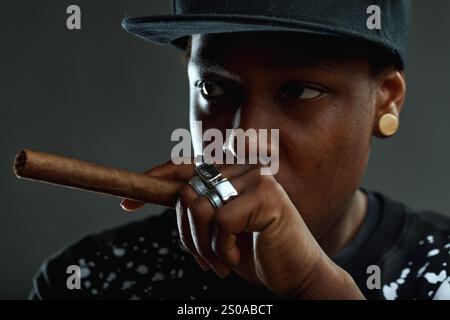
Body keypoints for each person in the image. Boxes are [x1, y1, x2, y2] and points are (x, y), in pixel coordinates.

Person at [30, 0, 450, 300]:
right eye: (213, 88)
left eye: (299, 90)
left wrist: (314, 286)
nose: (245, 137)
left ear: (387, 99)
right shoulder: (92, 279)